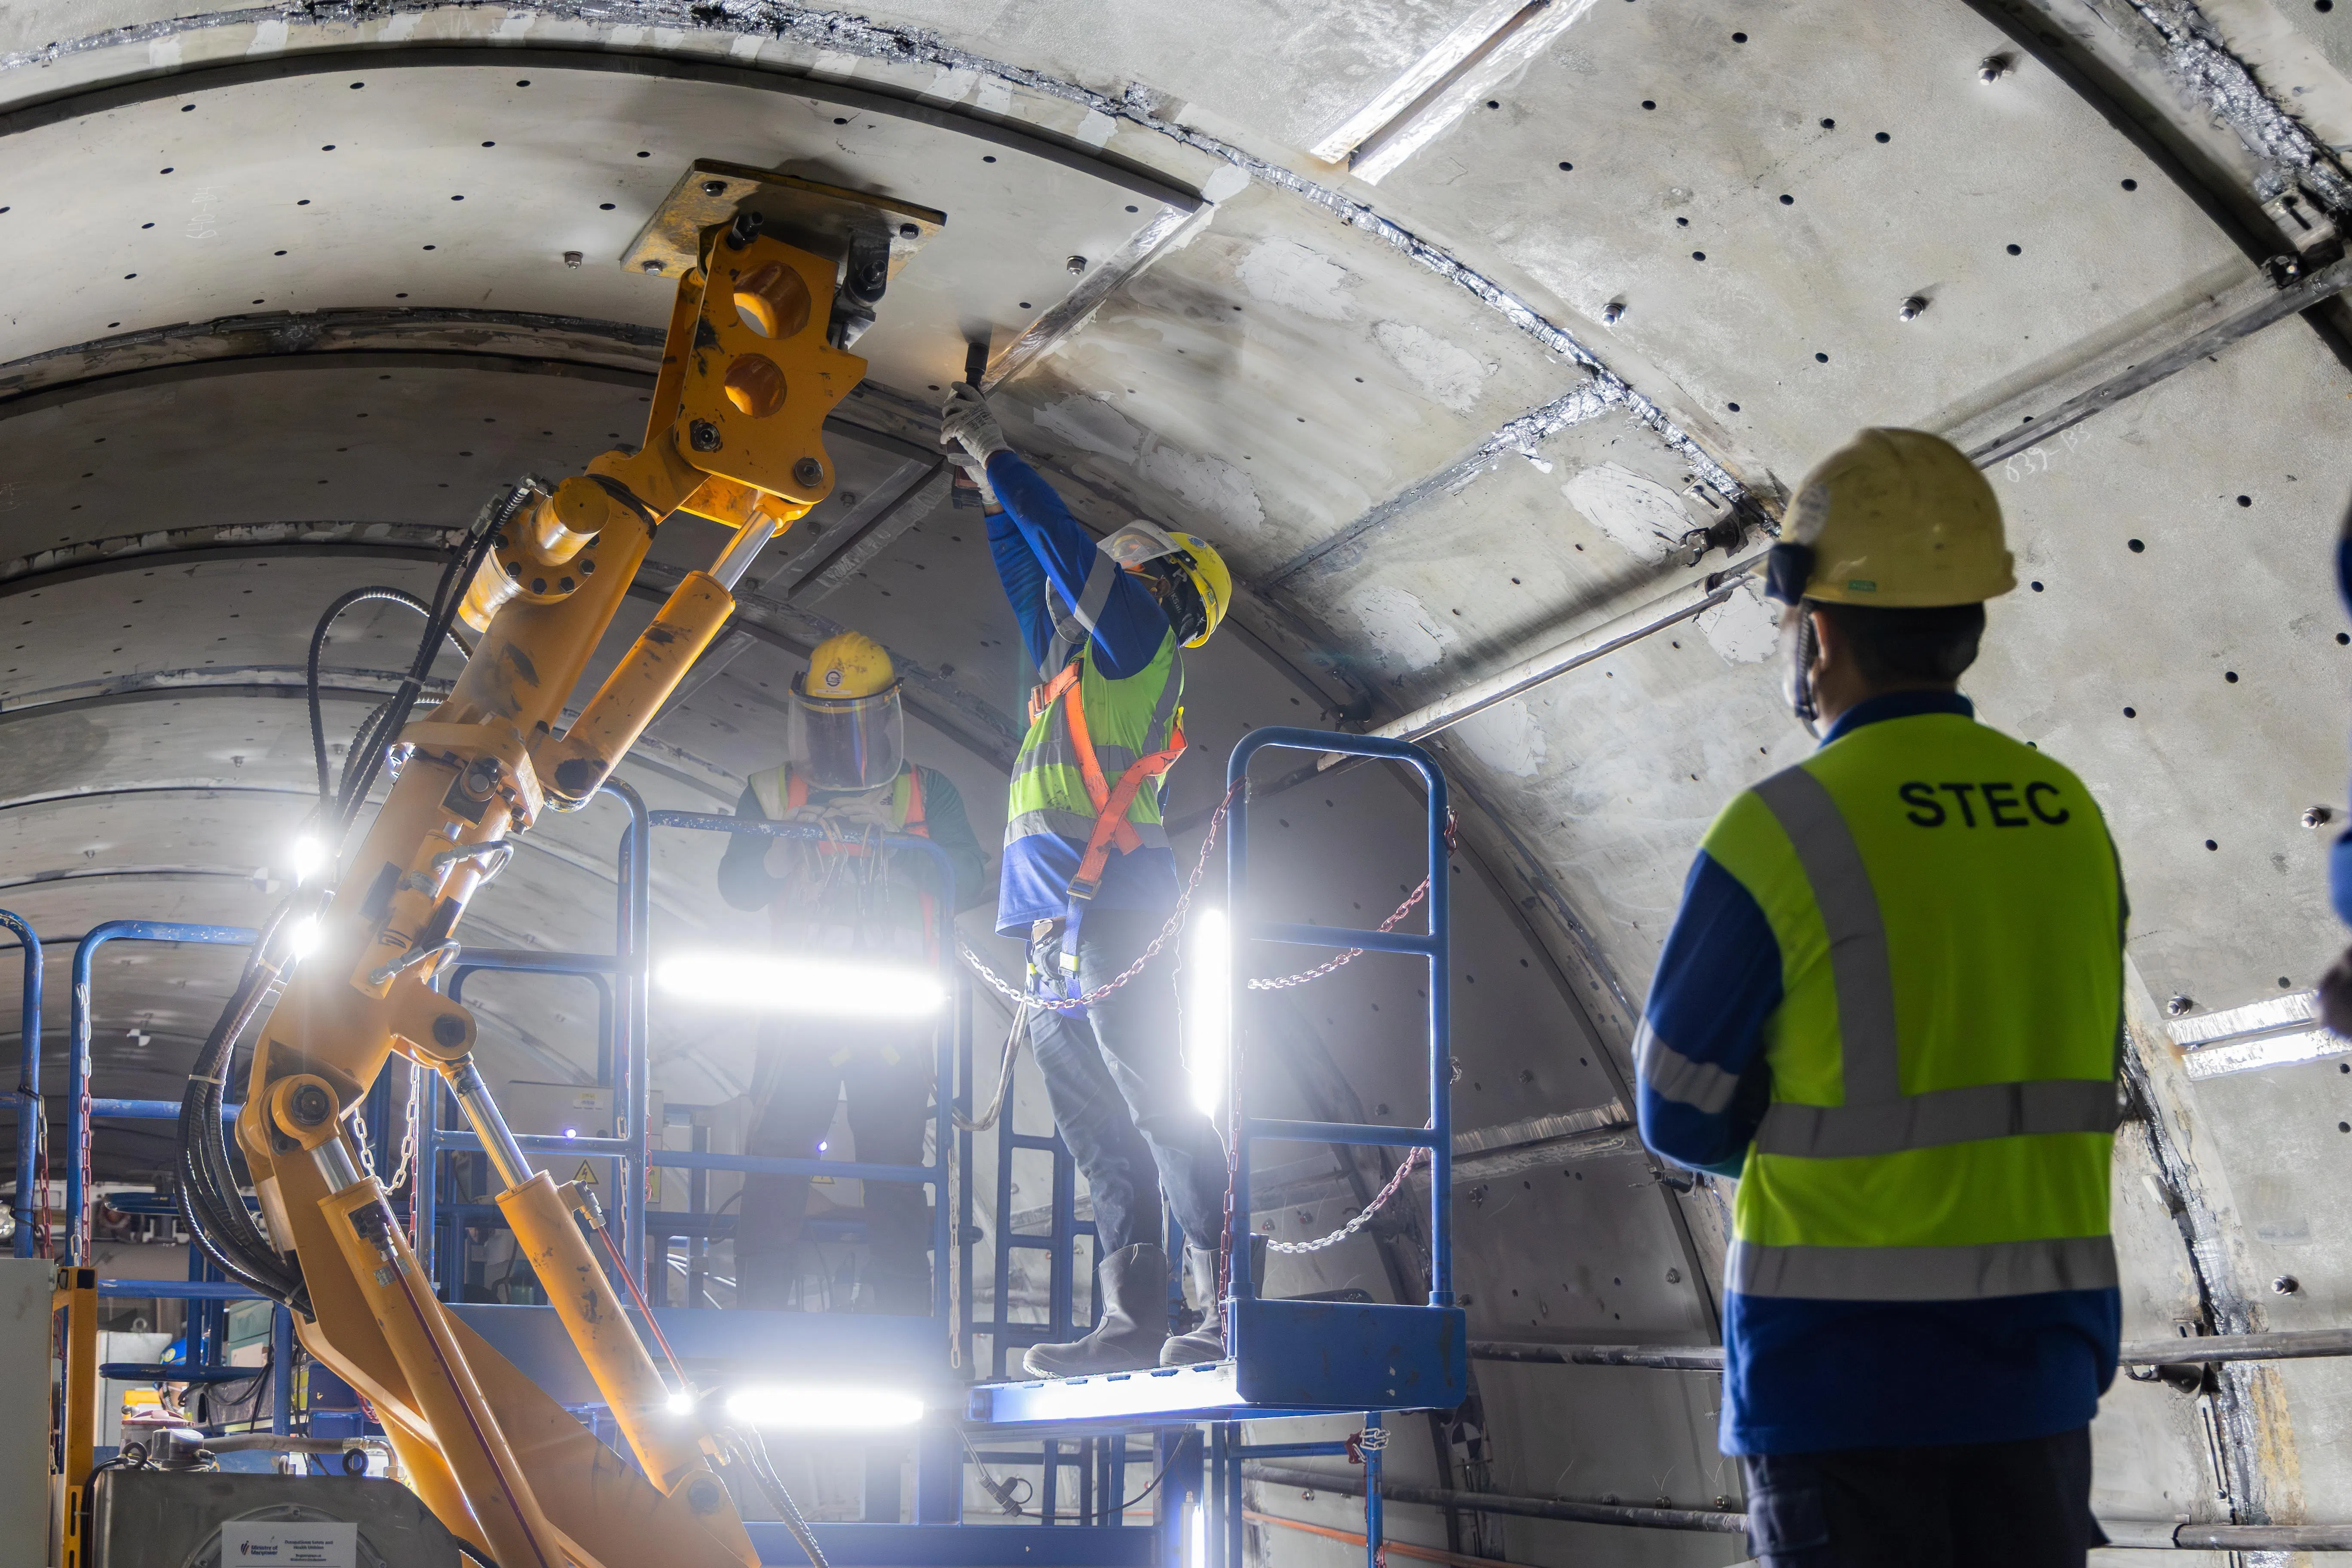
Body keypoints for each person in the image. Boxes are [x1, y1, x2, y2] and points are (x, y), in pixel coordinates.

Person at [1634, 430, 2125, 1567]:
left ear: (1818, 627)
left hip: (1840, 1384)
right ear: (1970, 622)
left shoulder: (1784, 829)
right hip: (2039, 1379)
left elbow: (1677, 1103)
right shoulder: (2069, 816)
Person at [938, 380, 1239, 1374]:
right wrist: (987, 494)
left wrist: (1002, 458)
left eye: (1124, 560)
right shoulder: (1070, 664)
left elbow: (1062, 549)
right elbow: (1029, 573)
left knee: (1155, 1101)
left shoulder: (1143, 642)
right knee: (1096, 1128)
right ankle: (1136, 1320)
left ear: (1156, 578)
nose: (1108, 565)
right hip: (1052, 928)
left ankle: (1228, 1300)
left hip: (1119, 903)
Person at [716, 629, 986, 1314]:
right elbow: (738, 888)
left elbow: (972, 879)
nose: (842, 743)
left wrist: (901, 850)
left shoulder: (927, 795)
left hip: (892, 1019)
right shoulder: (773, 794)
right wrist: (784, 849)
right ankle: (760, 1315)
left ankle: (901, 1312)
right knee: (778, 1161)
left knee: (893, 1166)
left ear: (886, 719)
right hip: (800, 1017)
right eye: (828, 727)